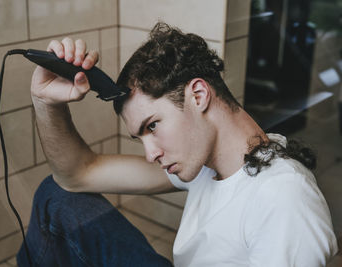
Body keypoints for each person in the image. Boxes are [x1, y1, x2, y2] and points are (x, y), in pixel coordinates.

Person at [17, 22, 338, 266]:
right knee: (55, 195)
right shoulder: (214, 162)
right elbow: (76, 175)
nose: (150, 153)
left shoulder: (284, 198)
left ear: (198, 95)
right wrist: (46, 103)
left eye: (153, 125)